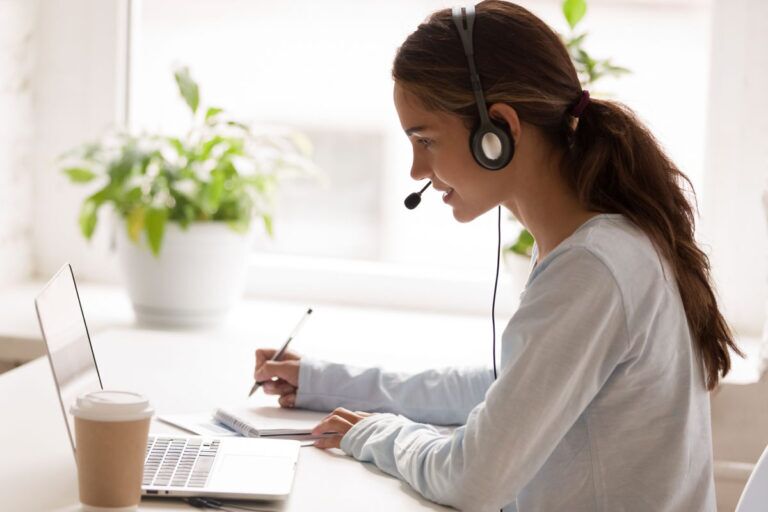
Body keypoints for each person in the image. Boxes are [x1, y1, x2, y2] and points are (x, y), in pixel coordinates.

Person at [253, 2, 740, 510]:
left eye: (425, 139)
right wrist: (329, 382)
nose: (417, 169)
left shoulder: (593, 268)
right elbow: (507, 389)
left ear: (498, 132)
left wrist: (381, 435)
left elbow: (473, 480)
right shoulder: (598, 244)